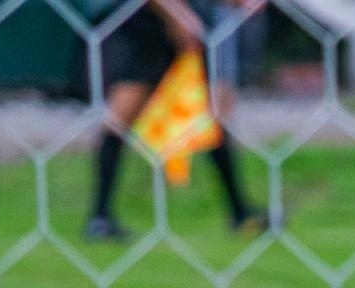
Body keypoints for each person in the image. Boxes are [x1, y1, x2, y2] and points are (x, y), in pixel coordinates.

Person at [86, 0, 267, 241]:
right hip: (149, 22)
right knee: (123, 114)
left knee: (209, 114)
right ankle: (99, 217)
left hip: (186, 23)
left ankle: (240, 211)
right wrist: (178, 16)